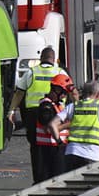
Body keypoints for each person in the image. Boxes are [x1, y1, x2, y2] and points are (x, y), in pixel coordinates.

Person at [7, 46, 65, 184]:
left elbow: (19, 93)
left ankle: (39, 179)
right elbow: (72, 91)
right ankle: (56, 178)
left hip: (33, 114)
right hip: (56, 113)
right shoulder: (60, 72)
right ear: (54, 59)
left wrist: (11, 111)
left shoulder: (31, 72)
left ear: (41, 59)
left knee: (36, 147)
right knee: (57, 147)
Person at [49, 80, 99, 172]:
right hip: (91, 154)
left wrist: (59, 142)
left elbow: (52, 124)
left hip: (71, 153)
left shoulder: (73, 106)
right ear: (97, 94)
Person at [33, 73, 77, 182]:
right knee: (50, 180)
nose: (64, 96)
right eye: (63, 93)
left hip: (57, 148)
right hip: (48, 149)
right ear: (56, 90)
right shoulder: (46, 106)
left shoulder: (57, 105)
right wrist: (70, 124)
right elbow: (48, 129)